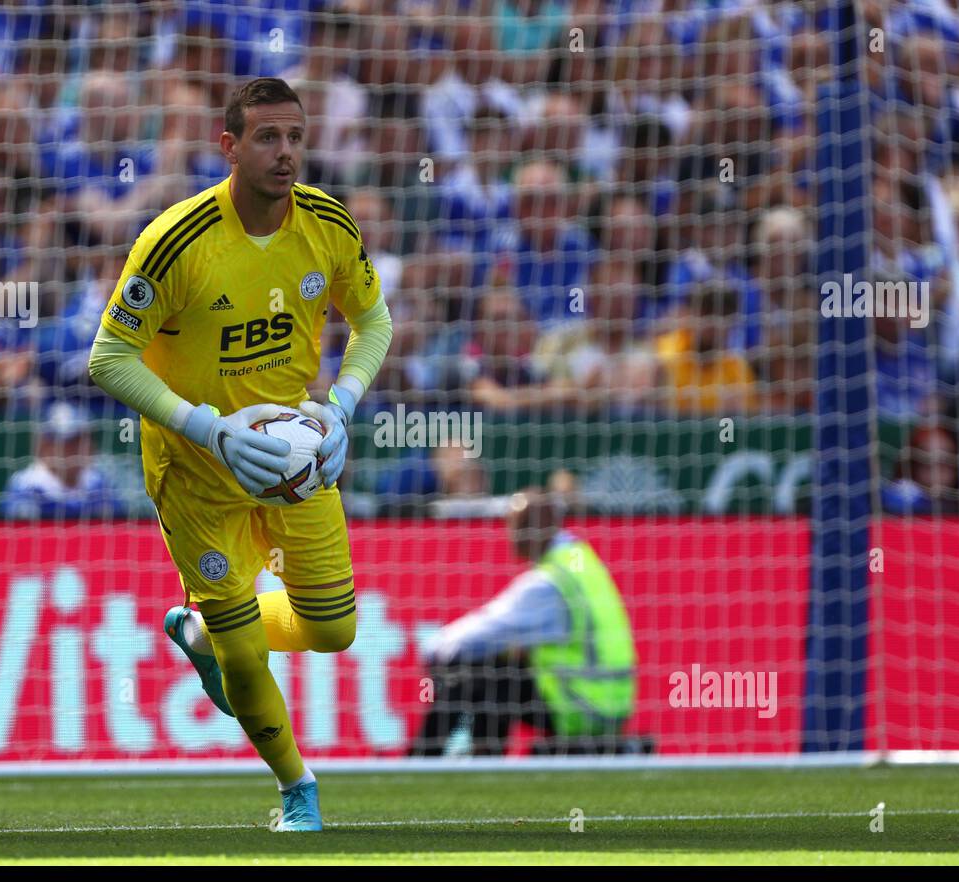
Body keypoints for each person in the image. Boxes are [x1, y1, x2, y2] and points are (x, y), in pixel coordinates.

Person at [88, 78, 392, 831]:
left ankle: (201, 632)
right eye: (266, 137)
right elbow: (108, 358)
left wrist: (344, 405)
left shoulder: (326, 224)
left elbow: (373, 320)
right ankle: (298, 790)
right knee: (246, 660)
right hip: (196, 472)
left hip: (294, 459)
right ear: (229, 146)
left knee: (333, 631)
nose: (285, 152)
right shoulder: (175, 241)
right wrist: (209, 428)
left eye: (294, 136)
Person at [410, 488, 638, 757]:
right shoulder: (579, 561)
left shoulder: (548, 583)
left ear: (536, 527)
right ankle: (480, 763)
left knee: (472, 672)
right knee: (497, 670)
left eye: (516, 525)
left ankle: (422, 761)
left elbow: (484, 630)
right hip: (609, 702)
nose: (511, 534)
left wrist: (434, 648)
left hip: (582, 705)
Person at [1, 402, 123, 520]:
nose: (77, 449)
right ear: (44, 446)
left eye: (80, 441)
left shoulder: (97, 482)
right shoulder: (26, 487)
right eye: (67, 443)